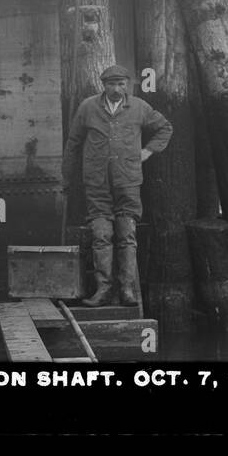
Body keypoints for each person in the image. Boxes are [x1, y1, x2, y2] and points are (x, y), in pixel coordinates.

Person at [61, 65, 173, 307]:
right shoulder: (88, 107)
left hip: (128, 182)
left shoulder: (140, 108)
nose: (117, 89)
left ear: (128, 85)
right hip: (96, 182)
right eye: (112, 84)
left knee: (127, 235)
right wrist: (66, 177)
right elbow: (73, 143)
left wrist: (147, 151)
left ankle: (126, 289)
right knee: (101, 235)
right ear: (103, 85)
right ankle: (103, 289)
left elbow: (165, 128)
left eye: (121, 84)